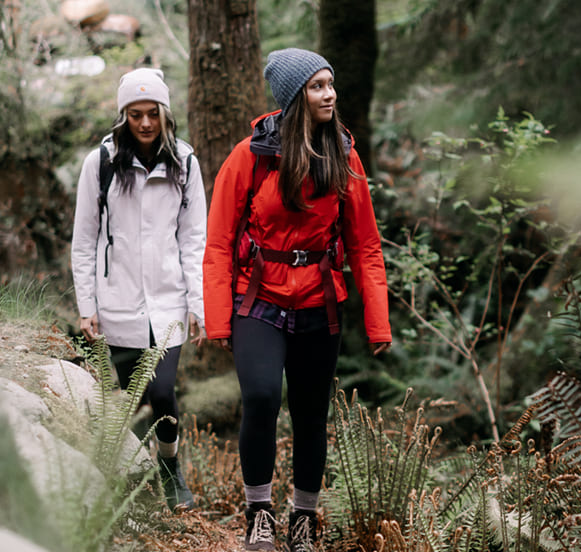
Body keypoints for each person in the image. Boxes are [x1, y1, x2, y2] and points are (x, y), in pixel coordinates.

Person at [203, 48, 392, 551]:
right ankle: (258, 513)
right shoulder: (251, 156)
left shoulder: (344, 155)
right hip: (257, 298)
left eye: (330, 84)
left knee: (311, 414)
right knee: (262, 397)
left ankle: (302, 519)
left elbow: (365, 244)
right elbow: (219, 241)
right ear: (293, 97)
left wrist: (378, 324)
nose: (330, 94)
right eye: (317, 86)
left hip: (318, 302)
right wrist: (218, 320)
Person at [71, 67, 207, 512]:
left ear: (165, 114)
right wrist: (86, 305)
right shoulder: (102, 163)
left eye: (152, 114)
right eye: (135, 114)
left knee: (164, 392)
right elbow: (85, 240)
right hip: (119, 302)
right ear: (123, 114)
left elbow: (193, 239)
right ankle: (136, 481)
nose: (145, 123)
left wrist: (197, 303)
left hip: (168, 301)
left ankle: (170, 469)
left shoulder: (185, 161)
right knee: (133, 397)